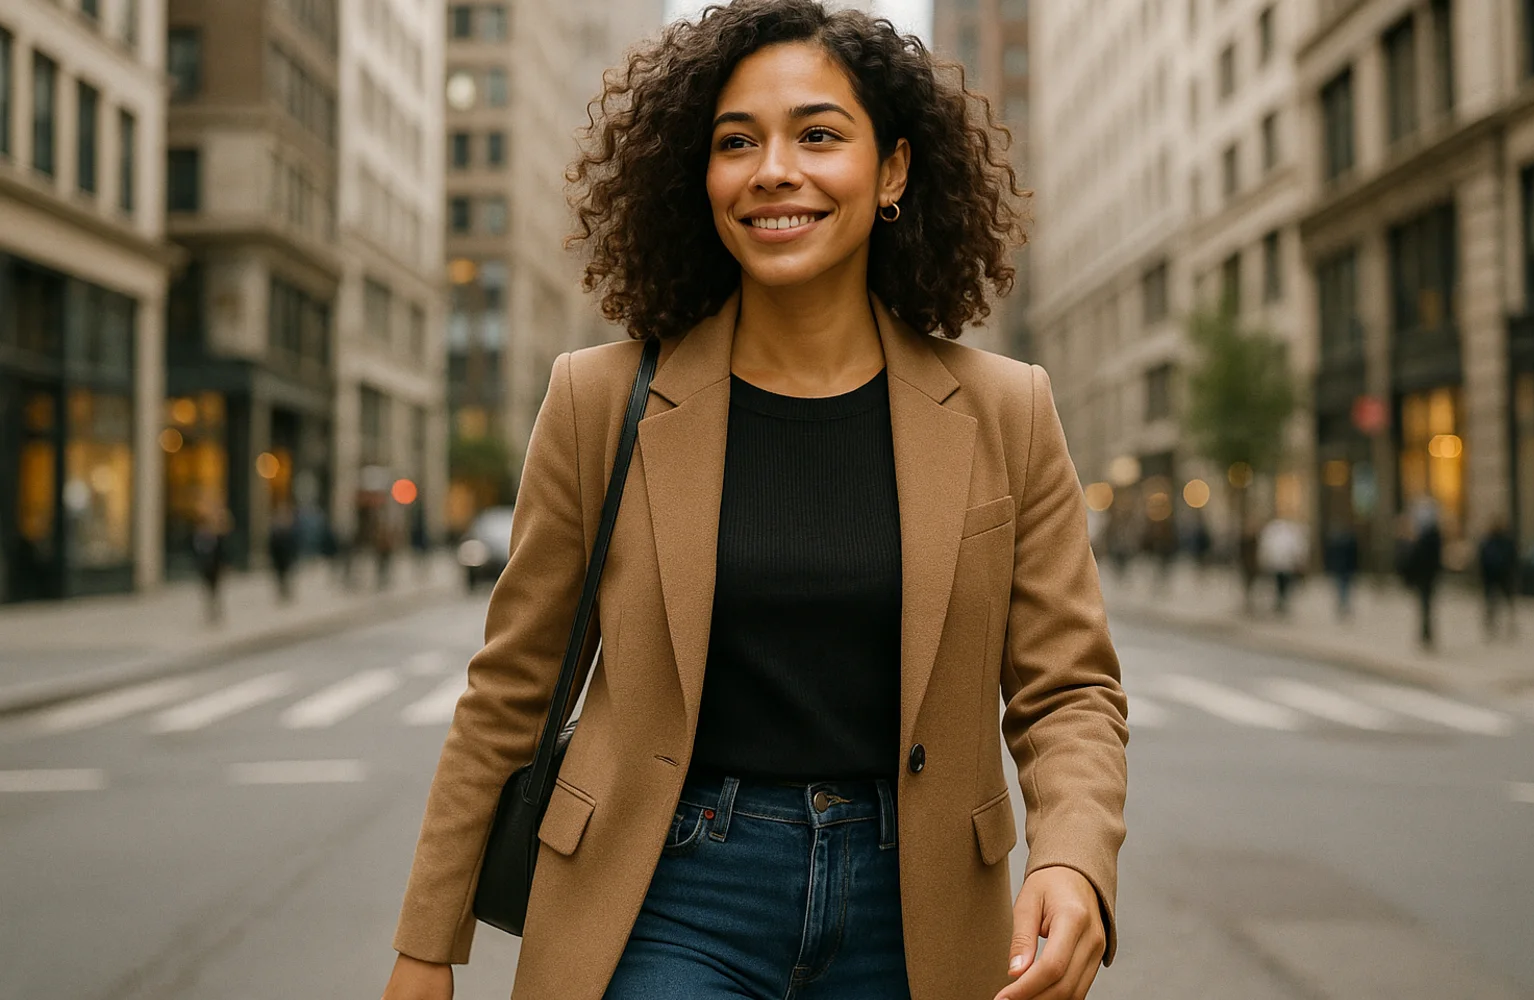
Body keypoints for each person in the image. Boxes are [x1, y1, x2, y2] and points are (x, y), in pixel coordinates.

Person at [381, 5, 1128, 1000]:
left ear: (894, 170)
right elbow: (509, 689)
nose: (774, 169)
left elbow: (1067, 688)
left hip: (918, 907)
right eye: (737, 143)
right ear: (701, 179)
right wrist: (425, 947)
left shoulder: (1007, 410)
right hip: (664, 892)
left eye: (818, 134)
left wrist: (1072, 858)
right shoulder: (598, 402)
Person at [1399, 497, 1444, 650]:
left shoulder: (1425, 537)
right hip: (1428, 576)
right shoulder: (1432, 535)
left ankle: (1426, 633)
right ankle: (1426, 633)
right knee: (1426, 605)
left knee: (1425, 605)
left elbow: (1416, 558)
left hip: (1425, 576)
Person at [1258, 515, 1309, 618]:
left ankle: (1281, 600)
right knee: (1281, 583)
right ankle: (1281, 600)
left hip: (1282, 564)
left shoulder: (1276, 534)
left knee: (1282, 583)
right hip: (1281, 564)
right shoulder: (1280, 535)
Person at [191, 505, 232, 625]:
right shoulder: (199, 537)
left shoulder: (217, 536)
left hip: (215, 567)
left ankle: (215, 610)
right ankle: (212, 610)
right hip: (205, 567)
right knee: (209, 589)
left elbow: (222, 552)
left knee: (215, 589)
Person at [1477, 516, 1517, 640]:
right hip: (1498, 576)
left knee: (1495, 602)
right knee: (1497, 602)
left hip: (1496, 577)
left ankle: (1498, 625)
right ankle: (1496, 625)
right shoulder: (1498, 542)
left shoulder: (1491, 542)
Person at [1324, 519, 1359, 620]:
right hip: (1345, 569)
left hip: (1341, 569)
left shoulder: (1335, 541)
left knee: (1342, 587)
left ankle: (1343, 603)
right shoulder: (1348, 541)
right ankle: (1343, 604)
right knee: (1344, 587)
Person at [267, 502, 300, 603]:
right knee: (280, 577)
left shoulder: (290, 530)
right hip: (279, 559)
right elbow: (272, 546)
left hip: (287, 559)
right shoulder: (276, 531)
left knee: (286, 577)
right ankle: (283, 593)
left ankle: (286, 593)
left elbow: (293, 545)